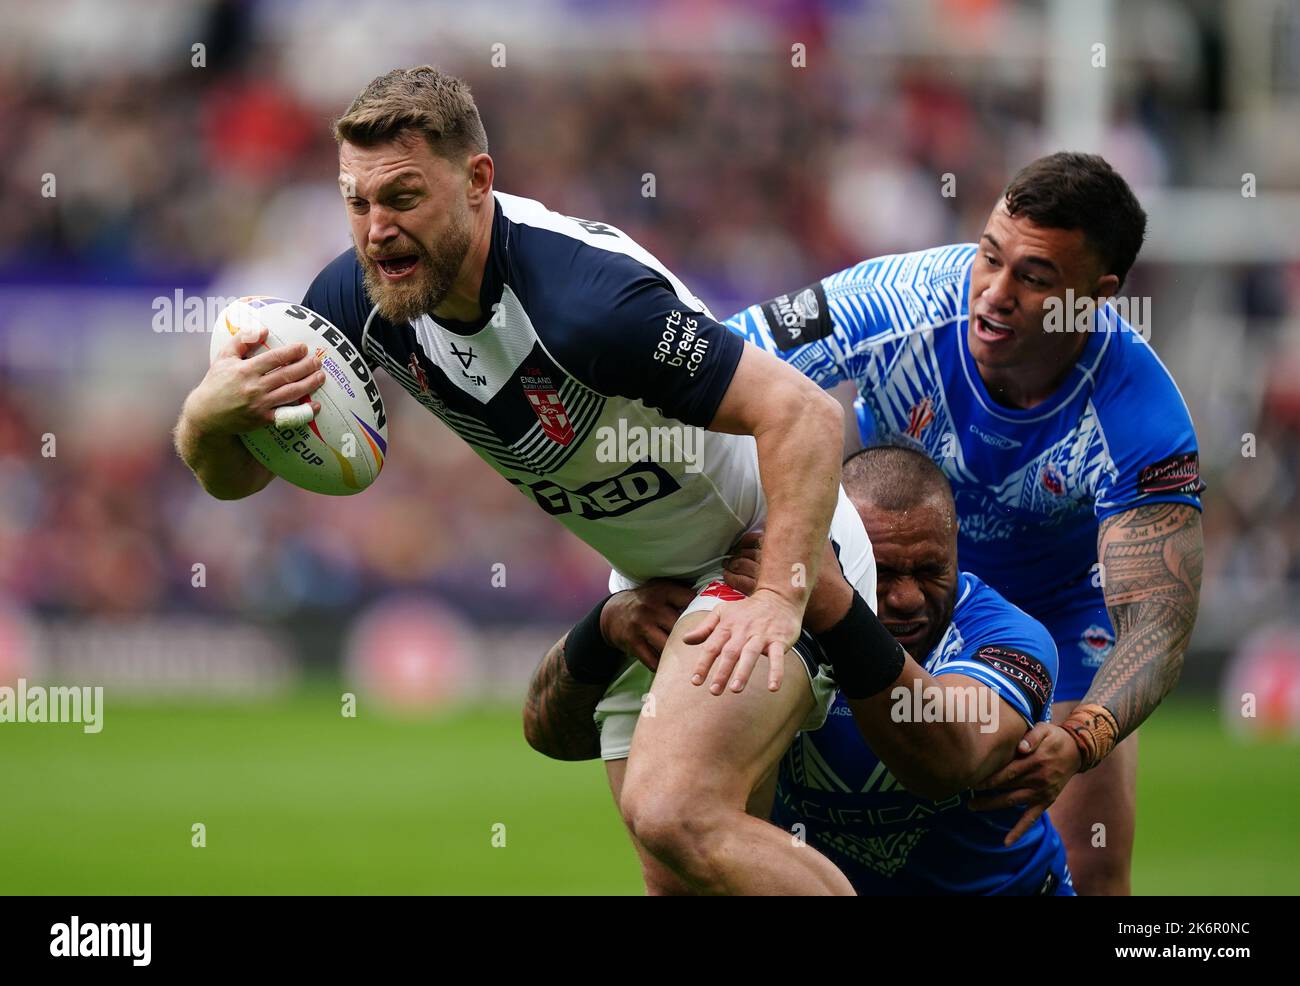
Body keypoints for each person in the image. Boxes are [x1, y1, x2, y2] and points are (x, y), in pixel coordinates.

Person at [173, 65, 877, 895]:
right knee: (679, 877)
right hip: (656, 585)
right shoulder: (357, 299)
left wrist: (781, 598)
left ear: (477, 181)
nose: (375, 231)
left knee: (673, 810)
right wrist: (204, 420)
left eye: (402, 197)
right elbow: (241, 479)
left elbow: (805, 416)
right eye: (356, 202)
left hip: (768, 552)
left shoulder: (587, 301)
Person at [726, 152, 1205, 894]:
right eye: (990, 256)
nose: (995, 293)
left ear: (1097, 295)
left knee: (1096, 864)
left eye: (1035, 277)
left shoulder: (1140, 416)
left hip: (1057, 611)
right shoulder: (899, 301)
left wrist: (1083, 740)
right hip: (888, 581)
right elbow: (720, 361)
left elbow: (1157, 623)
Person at [525, 445, 1072, 895]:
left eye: (931, 570)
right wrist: (606, 626)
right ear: (840, 549)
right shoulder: (751, 614)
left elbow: (946, 759)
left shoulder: (1006, 637)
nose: (906, 598)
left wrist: (834, 602)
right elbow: (555, 736)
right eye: (879, 573)